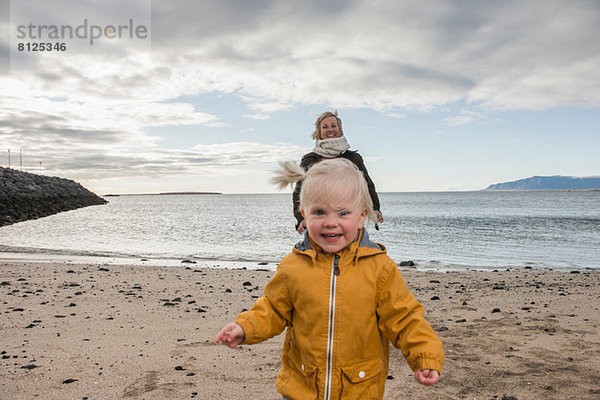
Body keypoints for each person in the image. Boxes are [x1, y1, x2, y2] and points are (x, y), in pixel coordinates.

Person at [216, 158, 444, 399]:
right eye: (319, 212)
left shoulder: (379, 268)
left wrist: (425, 355)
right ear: (304, 216)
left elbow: (404, 318)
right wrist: (245, 327)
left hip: (359, 389)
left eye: (343, 212)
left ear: (361, 216)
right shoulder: (294, 266)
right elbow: (273, 308)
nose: (330, 222)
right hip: (301, 387)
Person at [292, 110, 384, 234]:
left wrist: (375, 209)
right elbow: (299, 192)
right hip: (319, 219)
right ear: (319, 133)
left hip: (348, 218)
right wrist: (301, 218)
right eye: (325, 127)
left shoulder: (353, 159)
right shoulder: (309, 160)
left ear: (340, 130)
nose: (330, 129)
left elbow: (367, 185)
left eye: (333, 126)